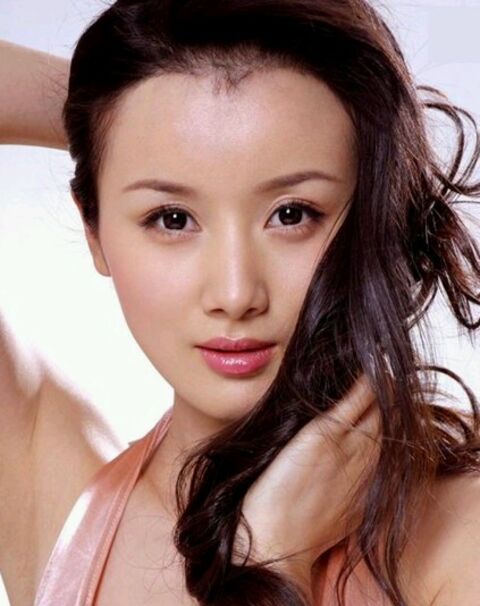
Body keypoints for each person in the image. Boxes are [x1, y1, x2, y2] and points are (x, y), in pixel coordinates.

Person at [1, 1, 480, 605]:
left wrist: (274, 559)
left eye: (292, 214)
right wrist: (113, 118)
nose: (235, 295)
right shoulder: (53, 491)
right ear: (94, 231)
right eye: (172, 218)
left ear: (375, 212)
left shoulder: (460, 535)